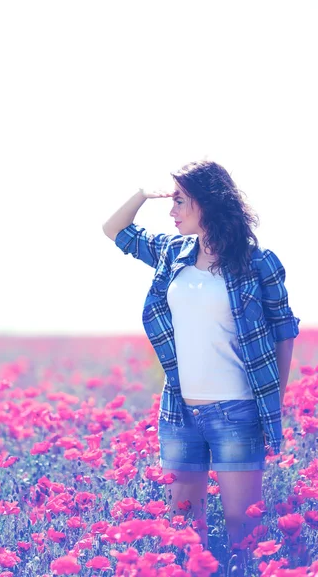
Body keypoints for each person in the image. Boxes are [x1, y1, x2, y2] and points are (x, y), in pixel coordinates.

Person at [102, 159, 300, 572]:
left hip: (237, 411)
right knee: (183, 528)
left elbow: (284, 332)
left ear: (208, 203)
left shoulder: (257, 262)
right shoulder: (172, 253)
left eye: (179, 200)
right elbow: (115, 230)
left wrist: (273, 399)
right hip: (179, 412)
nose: (171, 210)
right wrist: (142, 193)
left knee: (242, 529)